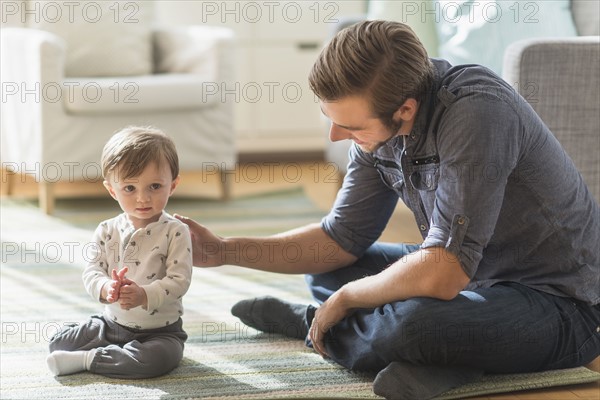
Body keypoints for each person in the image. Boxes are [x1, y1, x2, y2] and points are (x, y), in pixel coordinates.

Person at [176, 20, 600, 399]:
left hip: (561, 302)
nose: (336, 135)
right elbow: (340, 239)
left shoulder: (476, 113)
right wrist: (225, 250)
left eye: (351, 125)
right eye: (330, 118)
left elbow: (444, 271)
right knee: (326, 269)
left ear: (406, 109)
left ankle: (317, 323)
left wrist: (345, 300)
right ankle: (447, 360)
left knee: (413, 324)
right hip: (471, 277)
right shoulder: (379, 126)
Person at [47, 126, 193, 379]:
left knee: (156, 361)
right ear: (112, 190)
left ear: (173, 185)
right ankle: (109, 347)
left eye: (155, 186)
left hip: (161, 332)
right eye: (129, 188)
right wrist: (105, 288)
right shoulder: (106, 230)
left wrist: (144, 295)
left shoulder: (176, 231)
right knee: (58, 342)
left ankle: (90, 359)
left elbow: (179, 281)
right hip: (110, 324)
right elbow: (92, 271)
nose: (142, 198)